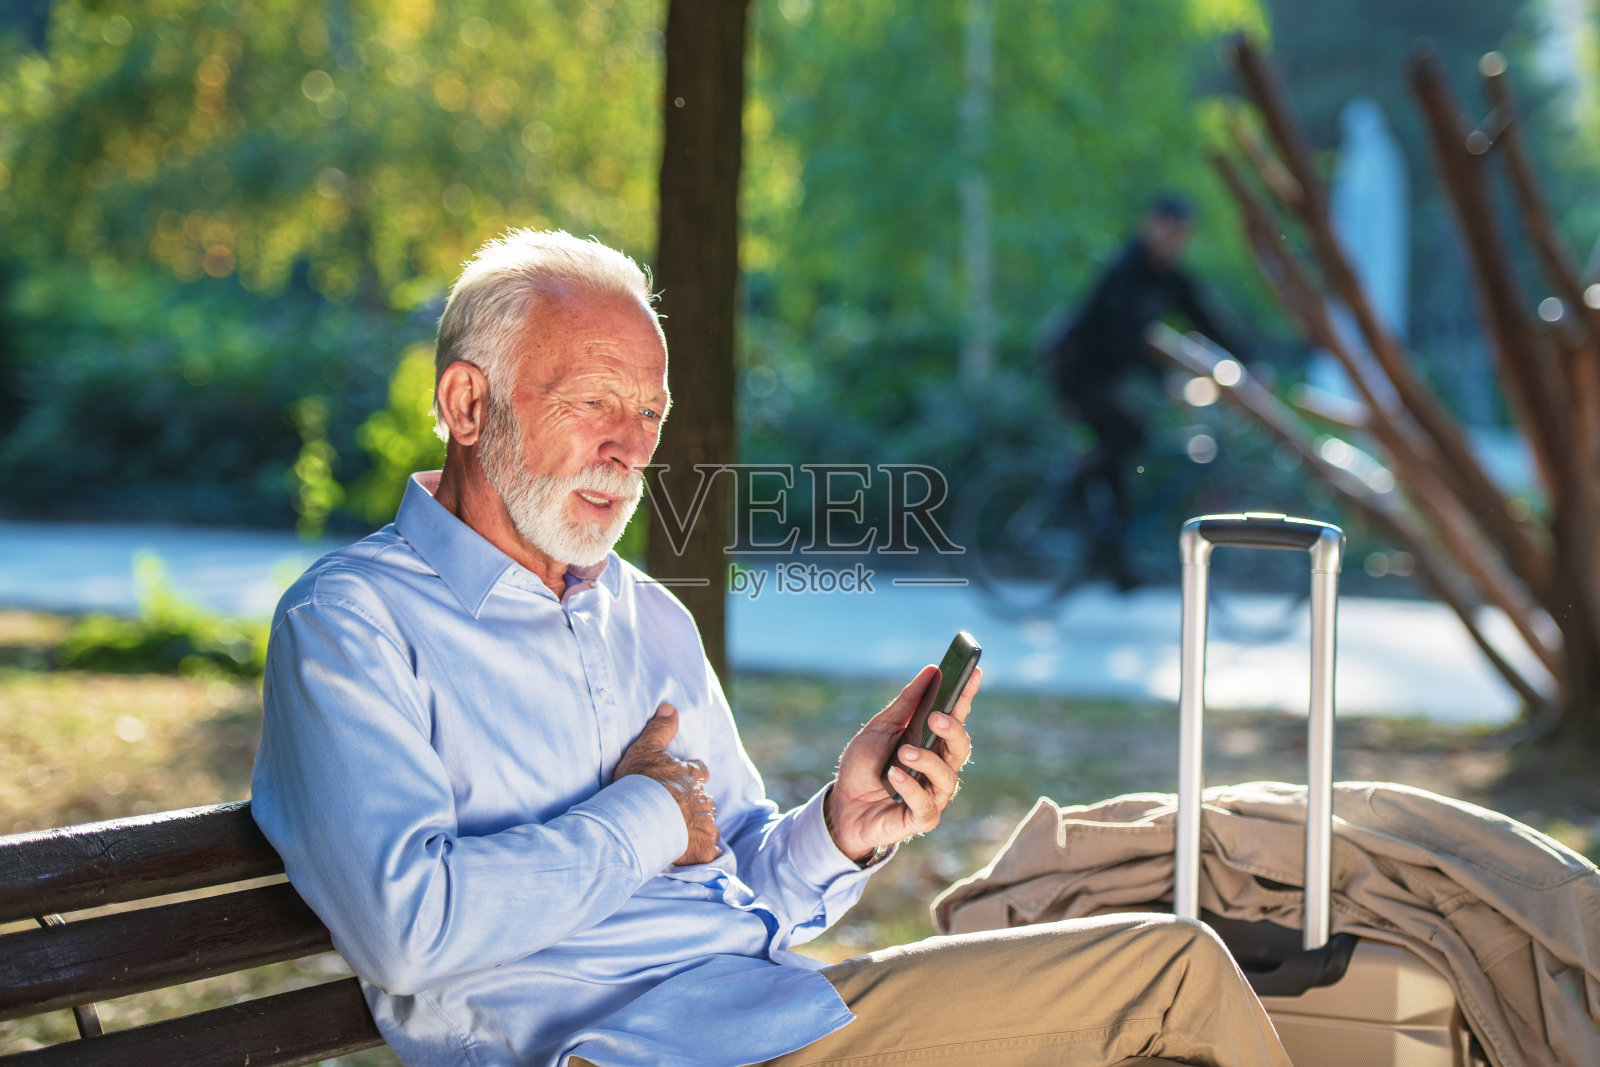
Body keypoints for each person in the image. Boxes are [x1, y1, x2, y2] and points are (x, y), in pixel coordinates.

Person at [251, 228, 1291, 1067]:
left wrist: (841, 826)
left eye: (649, 410)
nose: (633, 447)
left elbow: (744, 884)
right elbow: (407, 930)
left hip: (776, 1014)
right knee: (1171, 989)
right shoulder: (352, 622)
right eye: (593, 403)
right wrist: (646, 813)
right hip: (612, 1048)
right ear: (466, 404)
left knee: (1173, 967)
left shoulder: (649, 613)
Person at [1042, 194, 1248, 590]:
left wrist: (1250, 362)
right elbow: (1123, 338)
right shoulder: (1125, 270)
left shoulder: (1169, 277)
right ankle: (1068, 484)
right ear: (1151, 225)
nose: (1175, 241)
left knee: (1123, 459)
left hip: (1108, 378)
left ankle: (1115, 561)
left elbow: (1207, 319)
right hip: (1075, 371)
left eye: (1182, 235)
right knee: (1130, 434)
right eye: (1171, 231)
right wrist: (1162, 380)